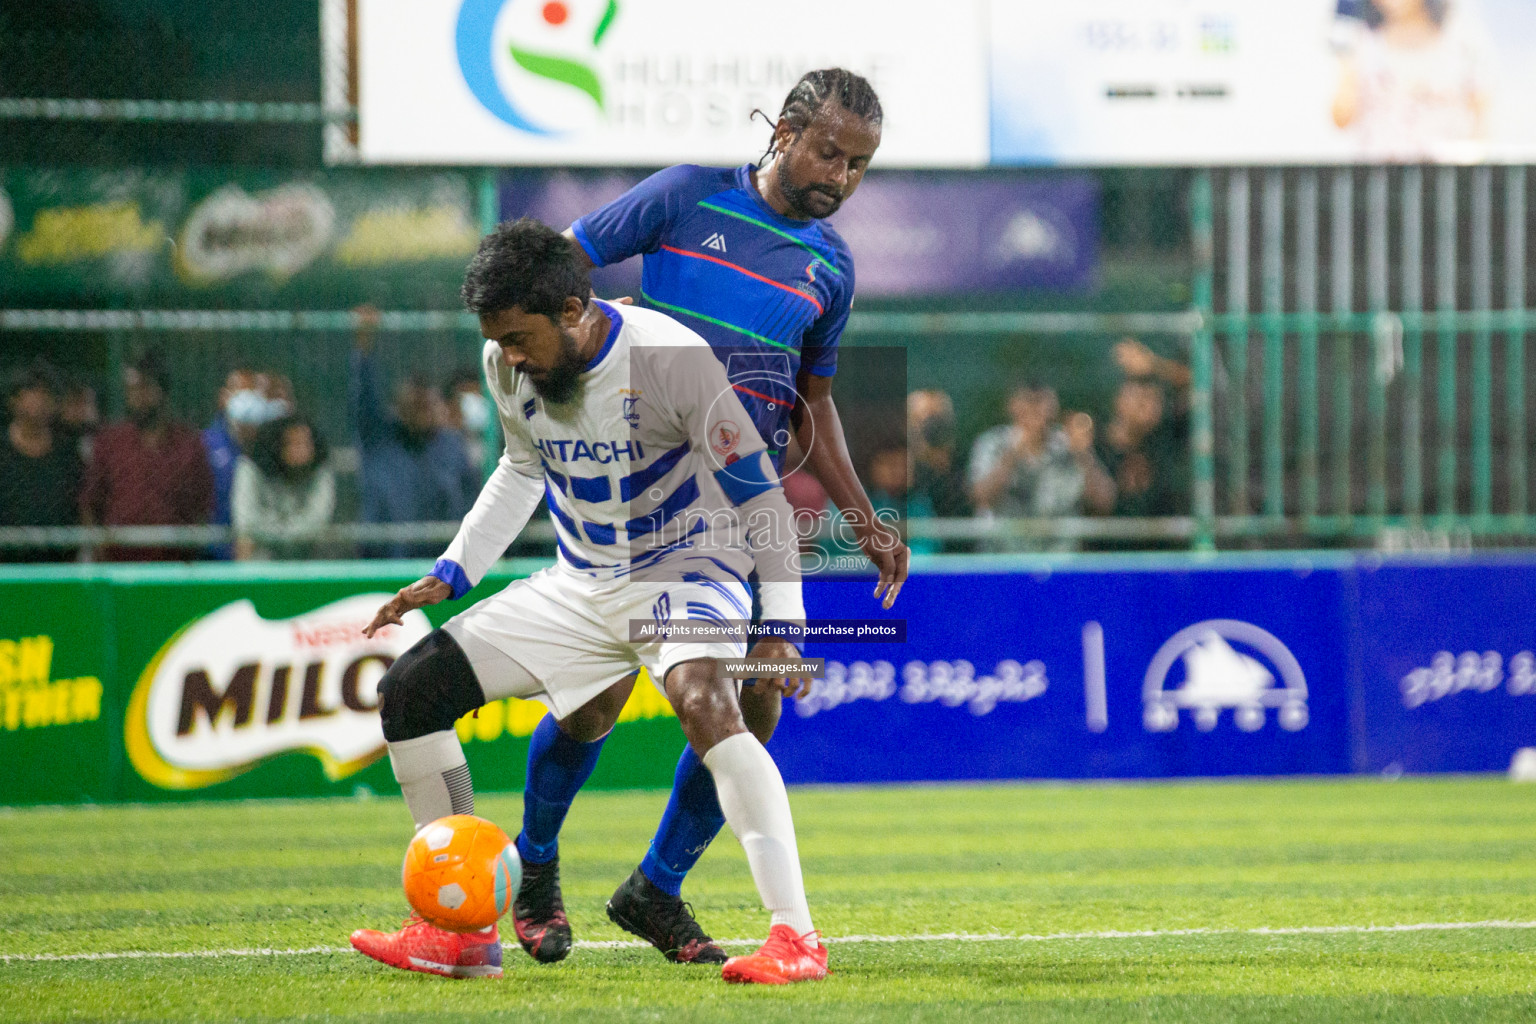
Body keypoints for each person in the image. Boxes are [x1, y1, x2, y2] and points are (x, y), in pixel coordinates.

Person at [349, 218, 828, 985]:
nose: (507, 357)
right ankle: (463, 931)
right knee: (411, 690)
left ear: (575, 310)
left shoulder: (670, 359)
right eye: (496, 340)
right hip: (579, 583)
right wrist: (455, 568)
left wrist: (781, 626)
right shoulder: (507, 361)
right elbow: (518, 469)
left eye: (517, 338)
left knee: (708, 700)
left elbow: (762, 500)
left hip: (686, 574)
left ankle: (795, 939)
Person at [500, 67, 908, 967]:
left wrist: (864, 517)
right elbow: (555, 269)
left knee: (756, 699)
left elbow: (815, 404)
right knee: (596, 696)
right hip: (630, 488)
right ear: (785, 130)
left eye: (860, 165)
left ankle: (657, 886)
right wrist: (553, 365)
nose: (840, 177)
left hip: (737, 510)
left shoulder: (831, 268)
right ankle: (535, 870)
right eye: (829, 152)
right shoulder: (687, 195)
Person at [349, 307, 481, 559]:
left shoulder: (452, 446)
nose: (422, 412)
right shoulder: (380, 441)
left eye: (428, 405)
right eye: (414, 406)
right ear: (399, 409)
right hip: (385, 560)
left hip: (445, 561)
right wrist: (363, 348)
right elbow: (363, 402)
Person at [80, 350, 213, 562]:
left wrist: (189, 553)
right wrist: (99, 552)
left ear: (162, 390)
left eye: (144, 387)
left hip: (172, 566)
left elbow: (202, 506)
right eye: (132, 389)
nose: (137, 397)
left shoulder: (189, 444)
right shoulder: (110, 441)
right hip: (118, 565)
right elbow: (90, 502)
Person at [1332, 0, 1492, 162]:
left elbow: (1482, 117)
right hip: (1379, 176)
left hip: (1441, 176)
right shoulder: (1363, 44)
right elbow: (1341, 119)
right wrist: (1347, 64)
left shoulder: (1462, 42)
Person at [967, 384, 1115, 552]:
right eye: (1028, 402)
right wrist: (1013, 454)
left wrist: (1084, 455)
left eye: (1041, 402)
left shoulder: (1069, 445)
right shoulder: (993, 443)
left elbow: (1105, 503)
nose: (1034, 410)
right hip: (1005, 557)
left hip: (1062, 559)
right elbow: (980, 497)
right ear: (1012, 406)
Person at [1095, 338, 1191, 521]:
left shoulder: (1168, 433)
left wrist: (1154, 364)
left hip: (1162, 545)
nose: (1147, 404)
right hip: (1106, 546)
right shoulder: (1094, 440)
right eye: (1139, 394)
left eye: (1154, 397)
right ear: (1117, 398)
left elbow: (1202, 385)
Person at [0, 360, 84, 563]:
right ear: (15, 399)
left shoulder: (67, 452)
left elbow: (81, 506)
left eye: (47, 392)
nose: (42, 399)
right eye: (34, 391)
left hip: (58, 568)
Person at [205, 367, 289, 559]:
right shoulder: (205, 445)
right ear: (223, 397)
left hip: (261, 557)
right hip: (213, 557)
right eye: (240, 392)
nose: (248, 399)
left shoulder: (270, 448)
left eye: (252, 392)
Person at [231, 413, 336, 561]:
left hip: (309, 564)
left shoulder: (320, 468)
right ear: (277, 445)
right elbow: (246, 521)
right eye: (294, 443)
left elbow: (318, 520)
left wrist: (280, 530)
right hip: (261, 566)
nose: (301, 450)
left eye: (306, 443)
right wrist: (285, 530)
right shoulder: (250, 467)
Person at [907, 390, 970, 552]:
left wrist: (943, 463)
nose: (932, 426)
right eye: (923, 419)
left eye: (938, 418)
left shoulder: (965, 460)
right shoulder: (898, 463)